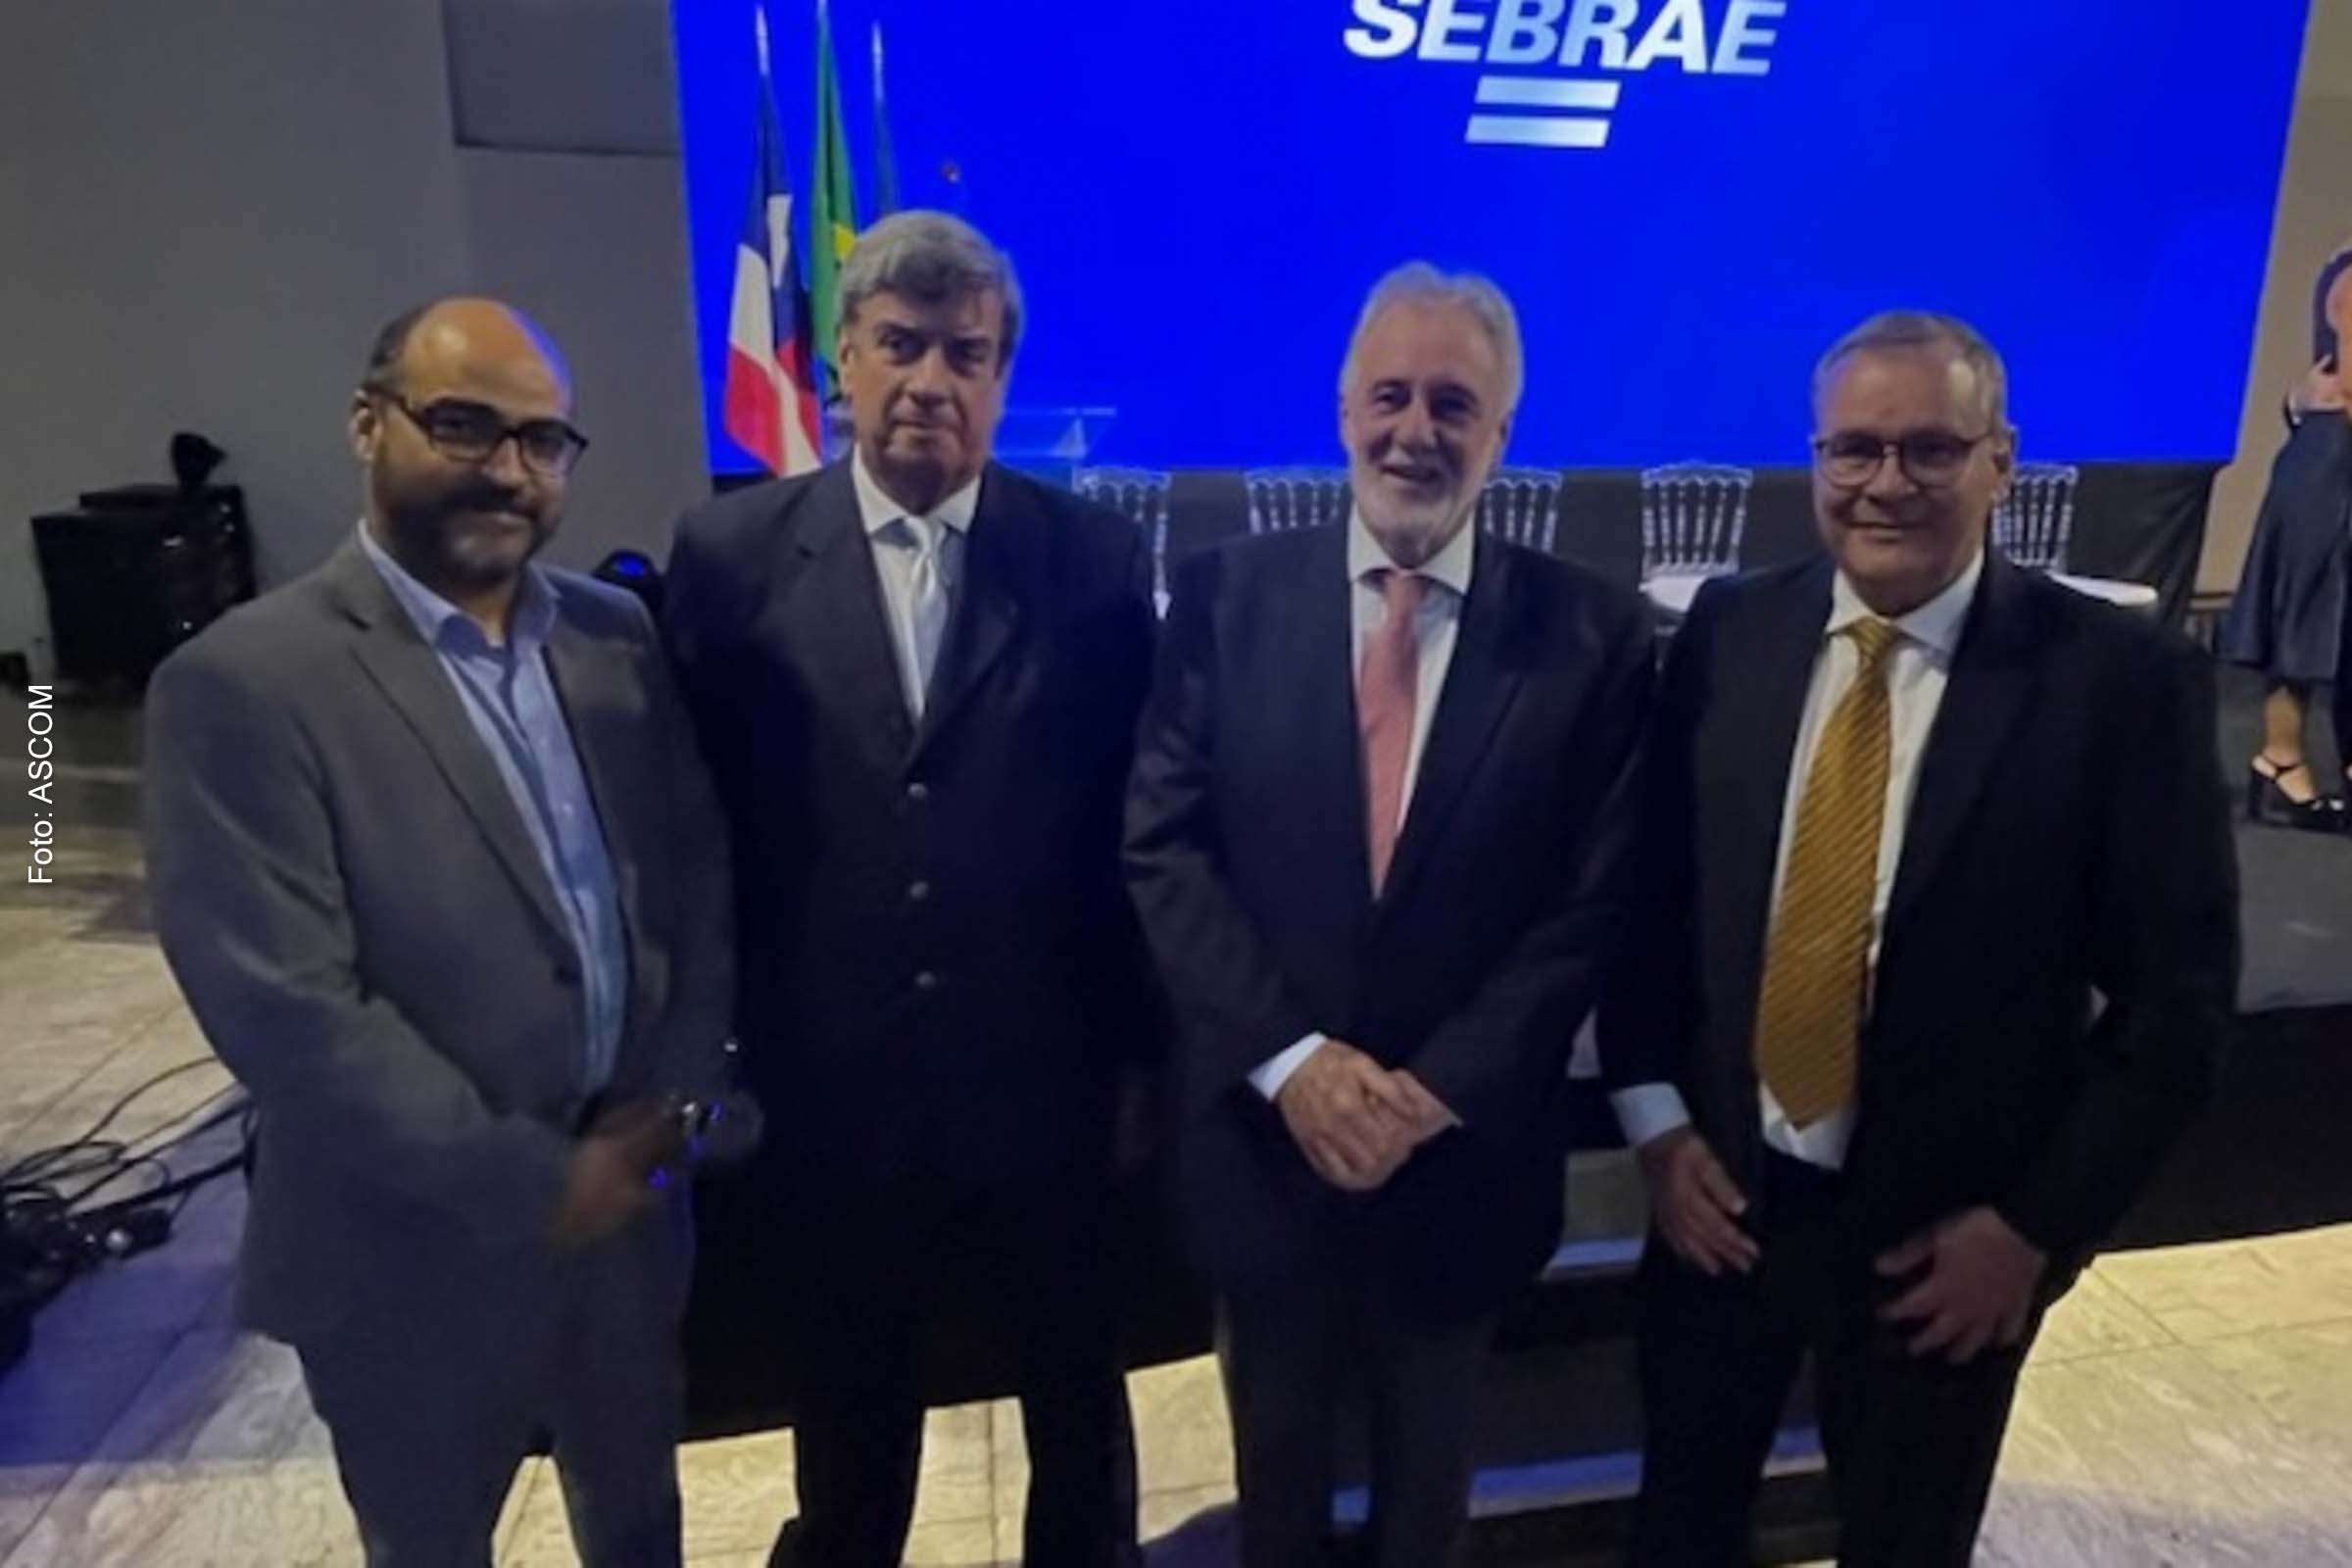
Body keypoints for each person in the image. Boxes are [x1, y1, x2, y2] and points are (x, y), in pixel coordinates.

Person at [1603, 310, 2237, 1566]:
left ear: (2000, 461)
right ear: (1815, 459)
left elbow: (2179, 1004)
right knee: (1678, 1532)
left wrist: (2036, 1229)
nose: (1885, 483)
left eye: (1929, 450)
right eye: (1853, 449)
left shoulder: (2117, 682)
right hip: (1722, 1209)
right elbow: (1647, 902)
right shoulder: (1730, 632)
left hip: (1945, 1255)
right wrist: (1657, 1128)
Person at [145, 298, 736, 1566]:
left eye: (543, 441)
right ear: (371, 423)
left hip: (626, 1224)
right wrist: (538, 1182)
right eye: (465, 426)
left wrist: (674, 1103)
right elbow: (285, 1008)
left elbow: (690, 881)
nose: (508, 470)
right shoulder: (242, 683)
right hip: (402, 1256)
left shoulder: (614, 637)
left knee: (642, 1534)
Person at [1125, 264, 1653, 1567]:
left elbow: (1596, 902)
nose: (1416, 430)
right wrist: (1298, 1069)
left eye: (1454, 404)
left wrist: (1427, 1092)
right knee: (1279, 1500)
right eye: (1391, 396)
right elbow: (1164, 849)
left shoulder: (1595, 637)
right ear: (1342, 408)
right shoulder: (1222, 599)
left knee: (1430, 1505)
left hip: (1459, 1166)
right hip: (1265, 1152)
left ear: (1503, 436)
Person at [662, 211, 1153, 1568]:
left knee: (1077, 1413)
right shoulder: (728, 559)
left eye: (968, 353)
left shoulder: (1094, 564)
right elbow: (700, 826)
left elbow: (1127, 830)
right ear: (843, 361)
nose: (932, 378)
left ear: (1001, 378)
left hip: (1043, 1096)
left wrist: (1133, 1064)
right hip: (834, 1094)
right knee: (851, 1417)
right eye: (902, 345)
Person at [2220, 238, 2352, 828]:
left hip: (2330, 454)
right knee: (2307, 609)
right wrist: (2302, 403)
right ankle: (2280, 761)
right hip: (2332, 465)